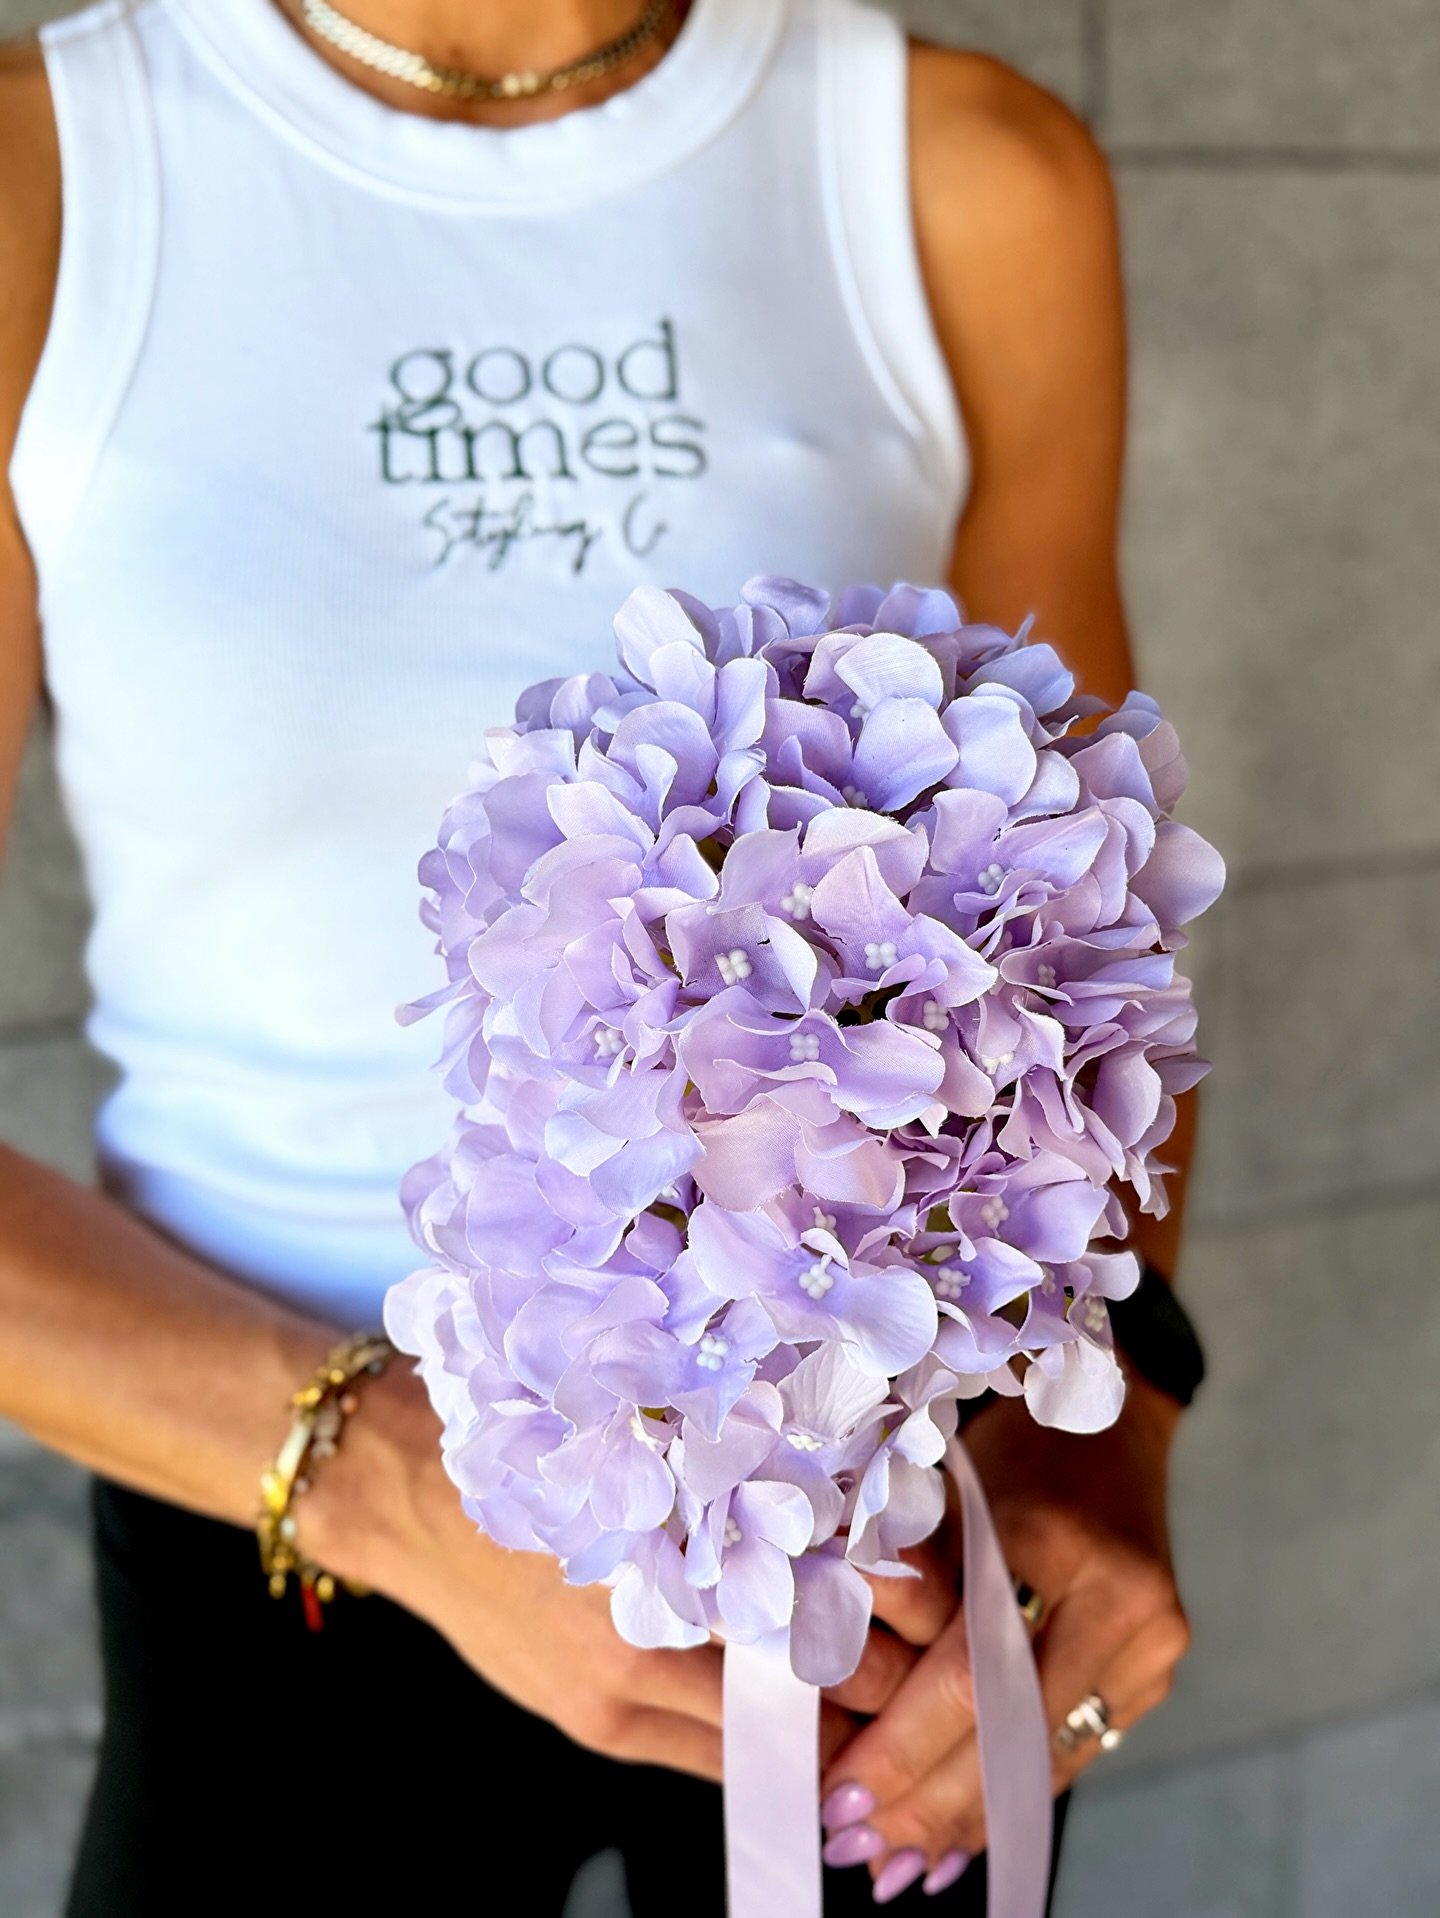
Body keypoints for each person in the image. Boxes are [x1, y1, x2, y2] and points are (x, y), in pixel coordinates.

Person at [0, 0, 1200, 1909]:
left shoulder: (962, 176)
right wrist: (388, 1474)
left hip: (862, 1556)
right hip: (280, 1524)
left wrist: (1111, 1424)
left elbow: (1092, 927)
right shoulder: (53, 176)